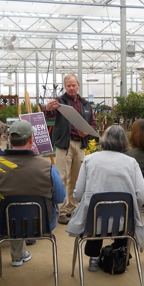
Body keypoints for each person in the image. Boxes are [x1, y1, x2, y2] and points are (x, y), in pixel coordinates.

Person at [66, 125, 144, 272]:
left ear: (103, 140)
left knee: (96, 214)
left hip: (93, 223)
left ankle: (94, 257)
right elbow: (143, 196)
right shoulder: (131, 163)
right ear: (124, 142)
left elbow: (78, 194)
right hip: (123, 224)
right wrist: (131, 206)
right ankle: (120, 254)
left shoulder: (89, 160)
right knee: (122, 214)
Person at [0, 120, 65, 267]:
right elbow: (60, 197)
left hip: (4, 224)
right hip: (42, 224)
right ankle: (21, 253)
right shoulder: (47, 167)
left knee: (11, 210)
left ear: (9, 139)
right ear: (31, 139)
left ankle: (17, 256)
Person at [44, 74, 97, 225]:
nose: (71, 88)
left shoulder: (85, 104)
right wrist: (47, 109)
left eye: (74, 85)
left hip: (80, 144)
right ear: (65, 87)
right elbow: (50, 113)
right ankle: (60, 210)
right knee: (61, 177)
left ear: (78, 85)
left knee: (76, 178)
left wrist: (87, 131)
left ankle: (72, 208)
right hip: (64, 145)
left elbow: (92, 123)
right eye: (68, 86)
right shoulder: (60, 102)